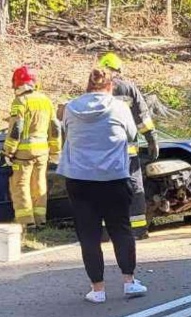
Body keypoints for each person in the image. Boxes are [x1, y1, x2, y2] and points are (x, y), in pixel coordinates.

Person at [57, 68, 148, 304]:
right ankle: (129, 282)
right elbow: (131, 134)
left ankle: (97, 289)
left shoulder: (70, 108)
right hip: (114, 178)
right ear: (110, 87)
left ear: (88, 85)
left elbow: (67, 132)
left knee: (89, 234)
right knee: (121, 229)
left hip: (79, 179)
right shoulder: (119, 107)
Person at [99, 53, 158, 240]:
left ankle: (106, 231)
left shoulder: (95, 90)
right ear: (119, 69)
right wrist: (151, 139)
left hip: (104, 152)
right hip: (127, 150)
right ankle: (138, 229)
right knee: (134, 187)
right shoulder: (128, 87)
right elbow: (142, 116)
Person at [0, 66, 62, 230]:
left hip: (23, 153)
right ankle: (40, 219)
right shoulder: (46, 100)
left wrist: (7, 152)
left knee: (20, 186)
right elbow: (55, 127)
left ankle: (26, 222)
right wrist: (55, 151)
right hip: (42, 152)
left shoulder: (20, 101)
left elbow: (16, 128)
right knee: (39, 184)